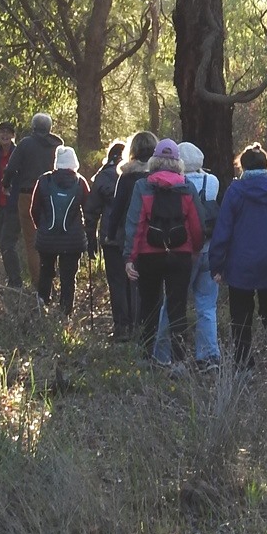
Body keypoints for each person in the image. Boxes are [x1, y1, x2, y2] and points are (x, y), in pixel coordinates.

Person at [209, 143, 267, 376]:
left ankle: (243, 364)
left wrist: (217, 264)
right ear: (266, 166)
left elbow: (223, 230)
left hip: (242, 263)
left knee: (240, 312)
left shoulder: (235, 192)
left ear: (243, 166)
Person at [123, 139, 204, 360]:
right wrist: (194, 249)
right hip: (180, 255)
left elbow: (135, 223)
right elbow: (197, 224)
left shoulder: (143, 186)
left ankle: (147, 355)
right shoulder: (187, 186)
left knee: (149, 305)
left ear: (154, 161)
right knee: (177, 307)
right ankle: (178, 359)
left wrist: (129, 257)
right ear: (178, 162)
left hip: (149, 255)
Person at [153, 141, 222, 370]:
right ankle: (209, 355)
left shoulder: (175, 184)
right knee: (207, 306)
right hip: (209, 250)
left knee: (172, 303)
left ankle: (162, 353)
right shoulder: (212, 182)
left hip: (183, 251)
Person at [104, 131, 157, 340]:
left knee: (123, 282)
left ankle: (123, 327)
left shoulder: (126, 177)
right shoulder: (159, 175)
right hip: (153, 236)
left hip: (126, 235)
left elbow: (116, 209)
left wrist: (110, 234)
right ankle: (145, 326)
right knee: (147, 284)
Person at [3, 113, 64, 290]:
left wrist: (5, 185)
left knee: (32, 242)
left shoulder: (26, 144)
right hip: (54, 196)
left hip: (28, 196)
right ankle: (53, 282)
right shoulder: (58, 146)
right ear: (49, 128)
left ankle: (40, 286)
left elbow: (11, 168)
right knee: (52, 239)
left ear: (33, 127)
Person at [30, 146, 91, 317]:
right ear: (74, 163)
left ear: (57, 162)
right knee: (68, 277)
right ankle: (65, 313)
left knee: (46, 271)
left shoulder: (43, 180)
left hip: (47, 238)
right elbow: (89, 209)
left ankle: (42, 305)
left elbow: (33, 209)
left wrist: (41, 227)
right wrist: (86, 230)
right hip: (73, 241)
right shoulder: (81, 182)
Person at [83, 139, 126, 332]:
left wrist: (90, 239)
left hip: (111, 237)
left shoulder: (102, 177)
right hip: (135, 237)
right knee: (134, 280)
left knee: (116, 281)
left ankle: (120, 326)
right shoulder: (138, 175)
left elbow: (91, 211)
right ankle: (137, 325)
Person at [0, 121, 23, 289]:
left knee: (7, 241)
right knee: (1, 240)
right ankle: (12, 277)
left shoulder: (18, 153)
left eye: (8, 133)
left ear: (13, 136)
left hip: (14, 204)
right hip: (0, 203)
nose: (4, 135)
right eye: (2, 132)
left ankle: (16, 282)